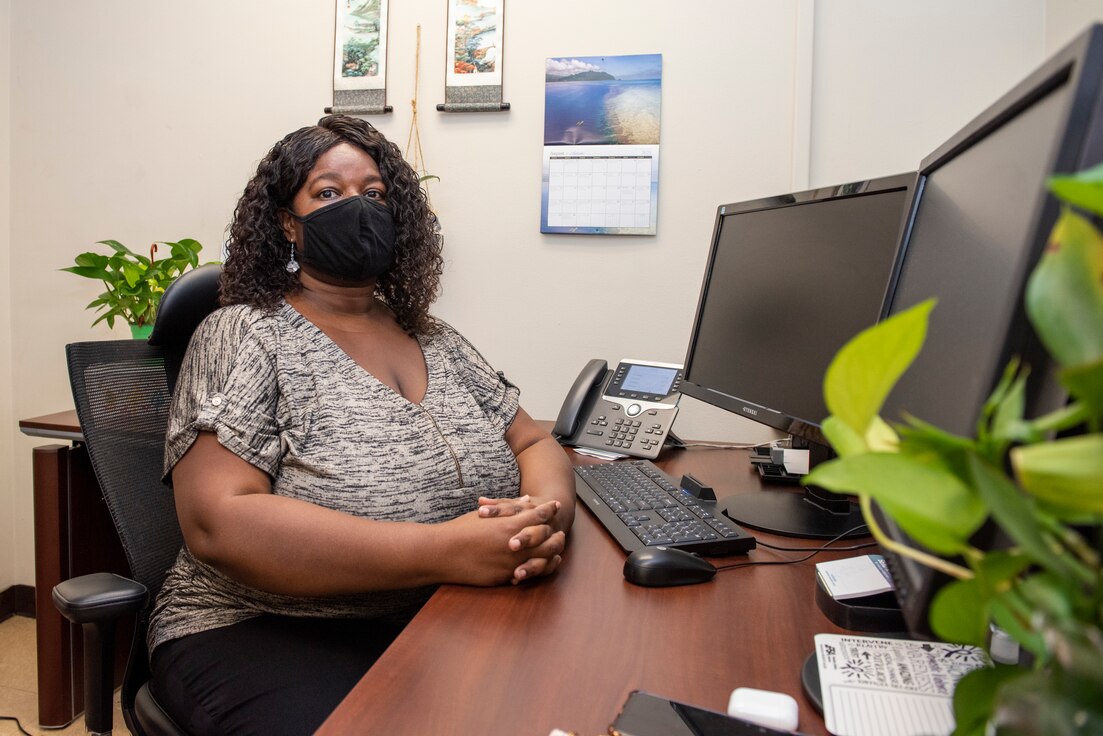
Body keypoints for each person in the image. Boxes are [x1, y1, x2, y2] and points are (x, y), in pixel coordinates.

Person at [147, 114, 575, 735]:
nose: (358, 208)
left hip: (435, 612)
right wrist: (445, 551)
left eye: (374, 195)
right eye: (328, 193)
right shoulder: (244, 334)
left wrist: (542, 521)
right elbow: (221, 522)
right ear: (288, 223)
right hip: (264, 628)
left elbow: (533, 439)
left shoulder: (437, 339)